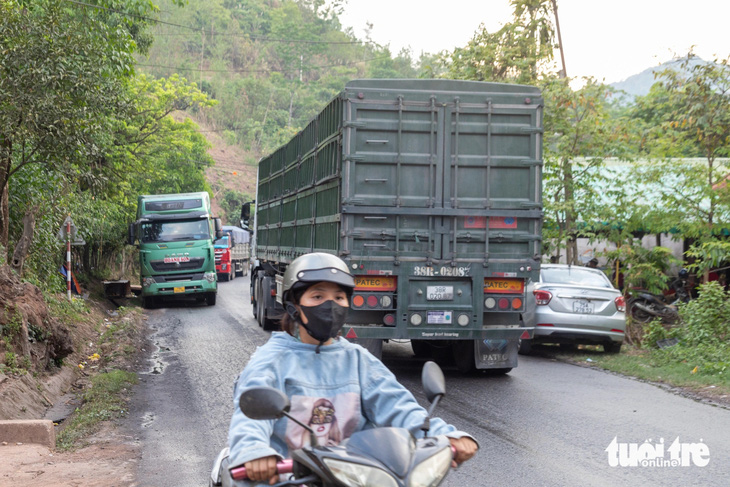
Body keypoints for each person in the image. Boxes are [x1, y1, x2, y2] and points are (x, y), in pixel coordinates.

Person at [226, 252, 478, 485]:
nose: (330, 306)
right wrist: (255, 452)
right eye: (317, 296)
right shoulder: (272, 360)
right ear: (294, 306)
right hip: (291, 478)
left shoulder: (358, 360)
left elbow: (397, 406)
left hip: (358, 477)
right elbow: (250, 416)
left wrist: (442, 436)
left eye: (338, 297)